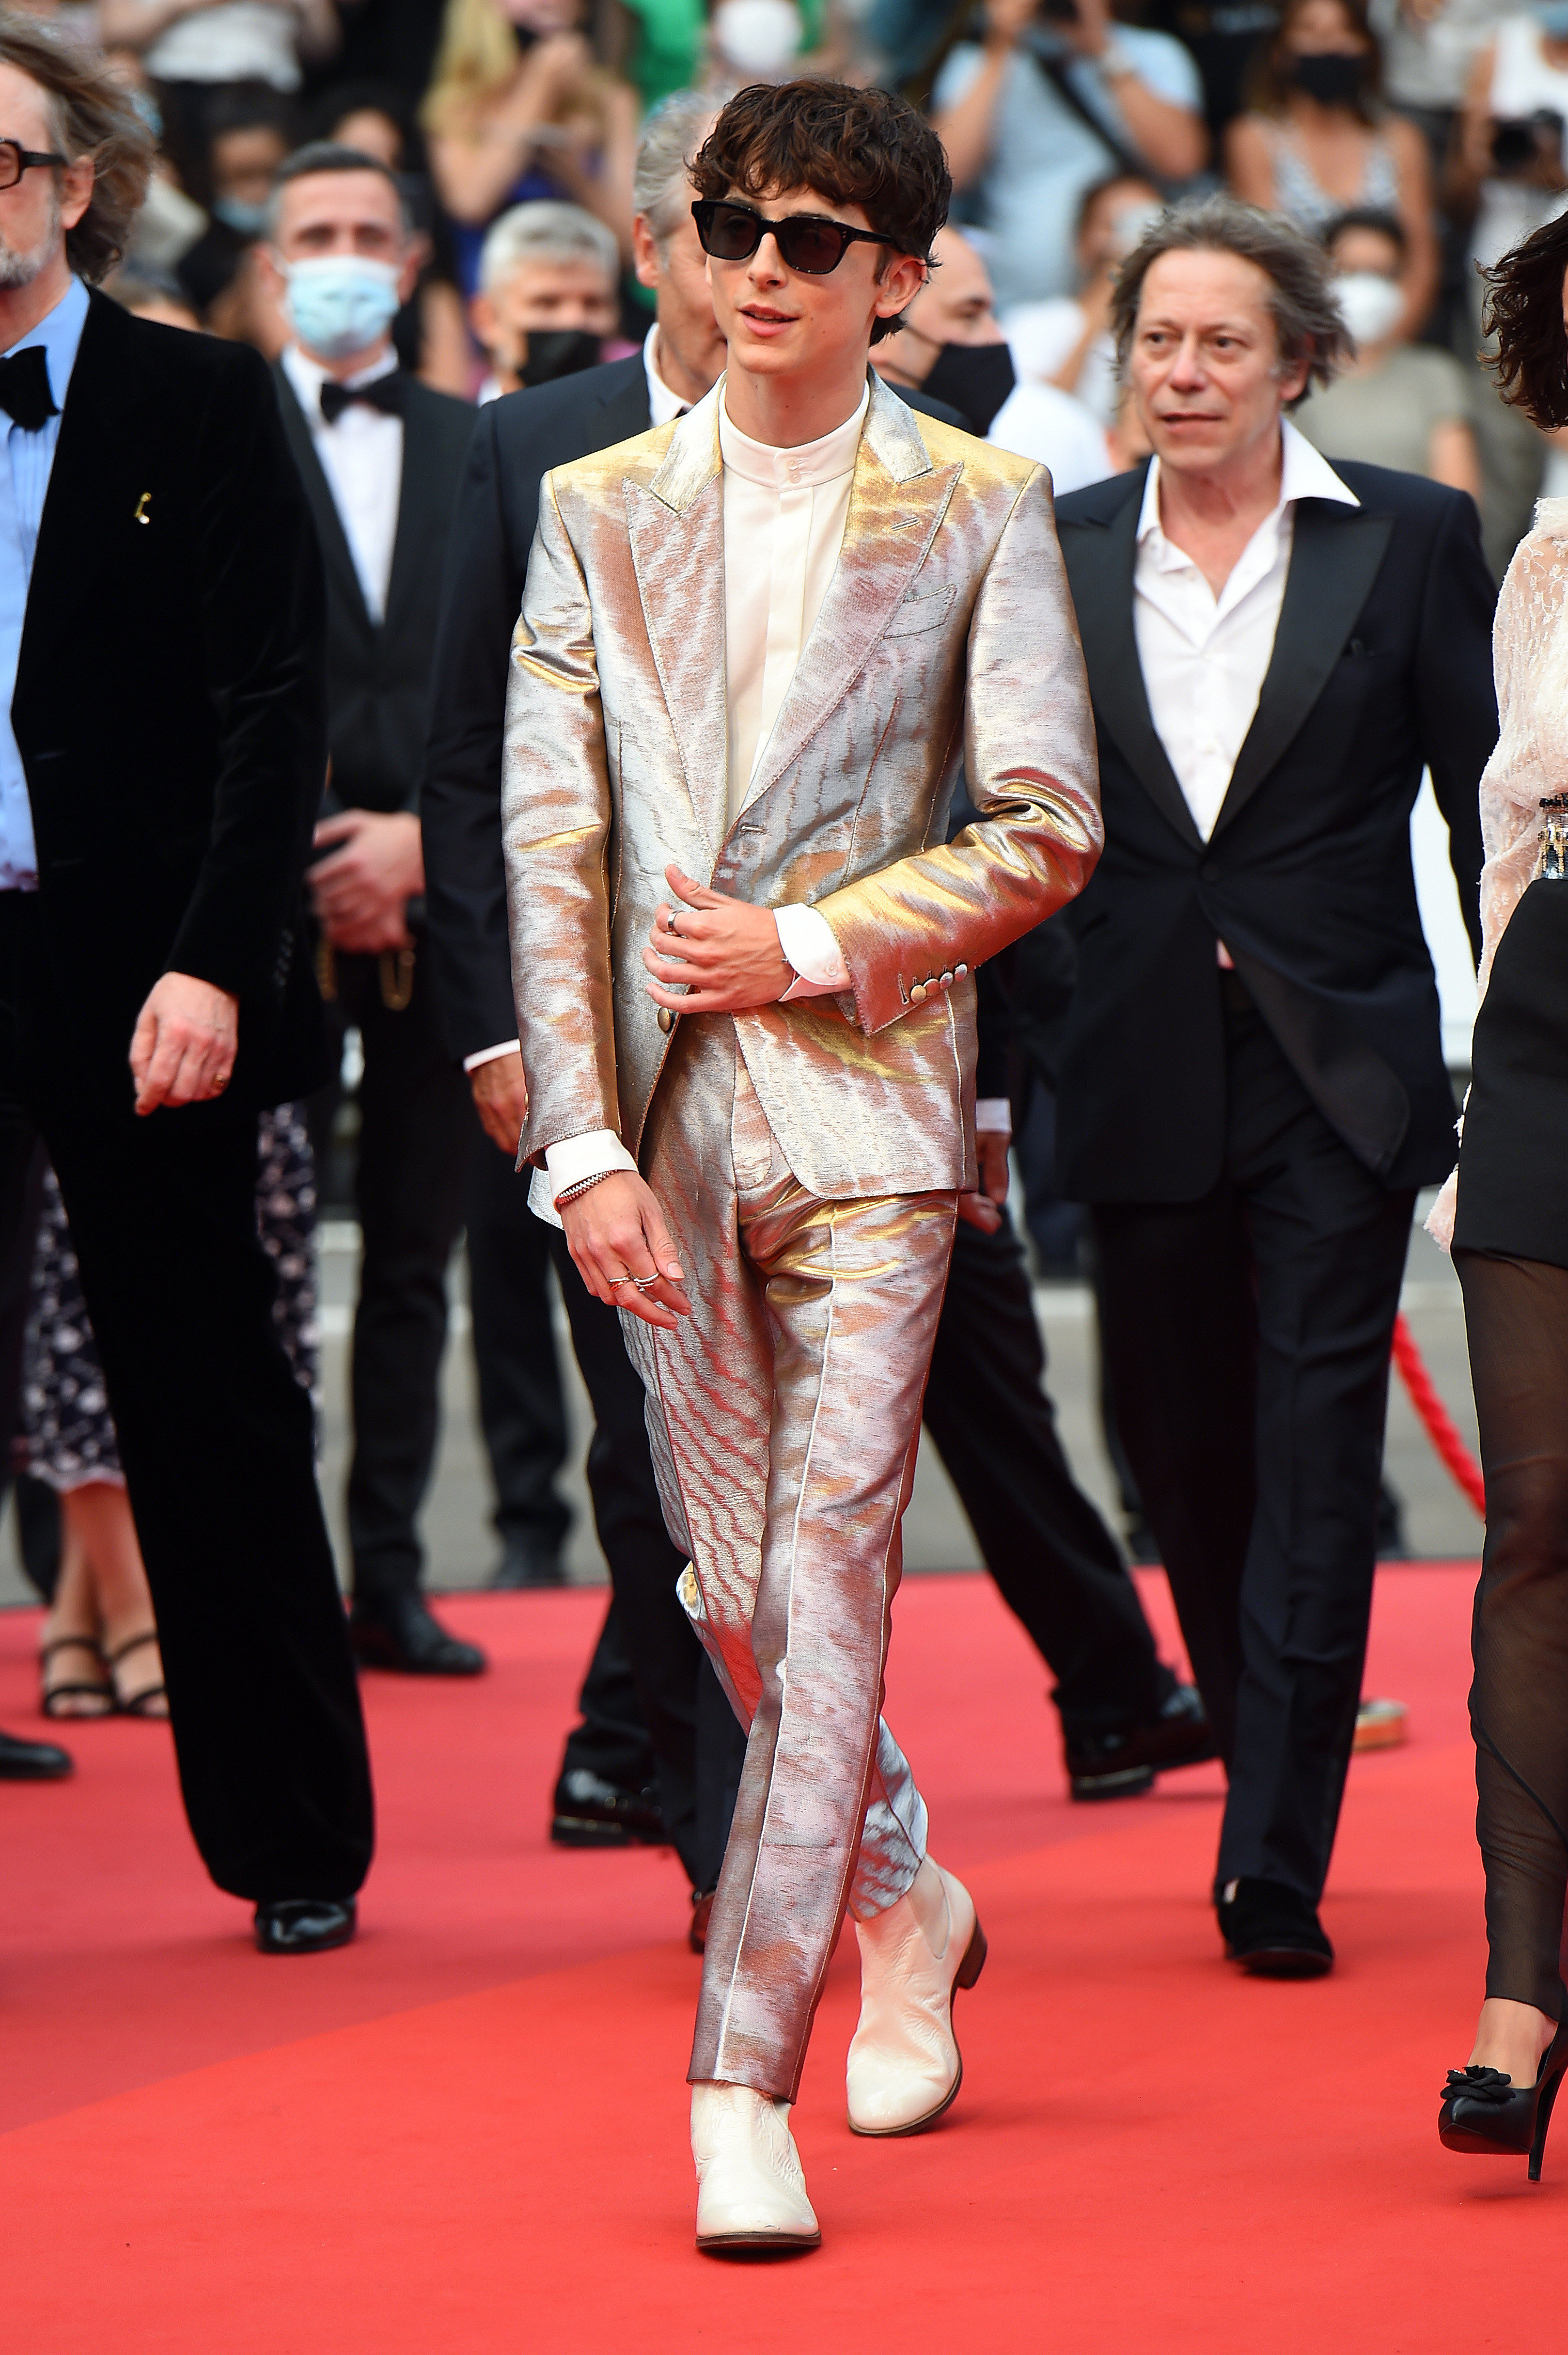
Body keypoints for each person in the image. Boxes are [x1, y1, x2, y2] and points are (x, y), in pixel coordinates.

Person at [503, 75, 1102, 2250]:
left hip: (866, 1102)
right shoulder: (589, 506)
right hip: (655, 1133)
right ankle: (905, 1888)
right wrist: (574, 1137)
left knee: (830, 1565)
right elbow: (549, 841)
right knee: (734, 1591)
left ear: (895, 278)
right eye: (733, 222)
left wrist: (815, 939)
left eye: (814, 236)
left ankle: (739, 2075)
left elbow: (1045, 821)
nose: (762, 262)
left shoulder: (983, 502)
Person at [1052, 194, 1495, 1979]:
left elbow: (1486, 811)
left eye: (1221, 341)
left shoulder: (1408, 537)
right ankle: (1258, 1757)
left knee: (1315, 1454)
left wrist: (1517, 1053)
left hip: (1341, 1067)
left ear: (1299, 361)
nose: (1183, 370)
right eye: (1157, 338)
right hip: (1131, 1054)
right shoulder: (1057, 544)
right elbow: (1005, 822)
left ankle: (1270, 1851)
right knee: (1182, 1451)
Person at [0, 20, 373, 1947]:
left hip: (147, 964)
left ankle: (294, 1833)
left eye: (5, 158)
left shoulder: (203, 399)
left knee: (209, 1397)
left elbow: (271, 709)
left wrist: (216, 959)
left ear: (76, 185)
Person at [257, 141, 488, 1677]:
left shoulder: (484, 444)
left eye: (366, 232)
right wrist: (304, 855)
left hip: (444, 890)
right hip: (247, 914)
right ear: (273, 262)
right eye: (312, 233)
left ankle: (388, 1573)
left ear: (409, 263)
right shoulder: (204, 428)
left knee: (413, 1251)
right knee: (241, 1257)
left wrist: (417, 843)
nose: (341, 254)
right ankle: (254, 1586)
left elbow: (529, 679)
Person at [1431, 208, 1568, 2177]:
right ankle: (1519, 1991)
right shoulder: (1543, 549)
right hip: (1548, 1016)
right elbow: (1507, 811)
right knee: (1536, 1518)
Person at [931, 0, 1208, 309]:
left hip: (1128, 302)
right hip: (1020, 305)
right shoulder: (978, 62)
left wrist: (1105, 50)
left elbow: (1181, 161)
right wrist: (1001, 43)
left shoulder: (1154, 54)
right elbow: (945, 170)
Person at [1227, 0, 1441, 325]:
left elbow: (1421, 262)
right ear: (1280, 52)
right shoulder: (1255, 138)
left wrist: (1380, 347)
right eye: (1311, 30)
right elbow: (1264, 256)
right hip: (1296, 328)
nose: (1328, 43)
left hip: (1387, 331)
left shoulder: (1401, 139)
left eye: (1345, 31)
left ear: (1367, 48)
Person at [421, 0, 637, 296]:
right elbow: (470, 202)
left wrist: (577, 178)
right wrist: (539, 86)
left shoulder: (610, 101)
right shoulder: (458, 106)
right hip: (487, 296)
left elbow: (630, 247)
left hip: (585, 292)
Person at [1294, 206, 1483, 494]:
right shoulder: (1297, 378)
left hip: (1420, 536)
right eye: (1349, 271)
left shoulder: (1435, 374)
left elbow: (1461, 494)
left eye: (1382, 273)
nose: (1365, 285)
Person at [1002, 169, 1163, 425]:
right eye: (1114, 226)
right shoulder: (1032, 324)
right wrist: (1095, 318)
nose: (1128, 243)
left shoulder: (1168, 337)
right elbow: (1033, 424)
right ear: (1081, 239)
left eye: (1147, 227)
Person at [470, 196, 622, 401]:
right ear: (488, 319)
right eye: (547, 303)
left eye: (593, 304)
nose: (574, 320)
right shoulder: (452, 429)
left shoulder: (646, 426)